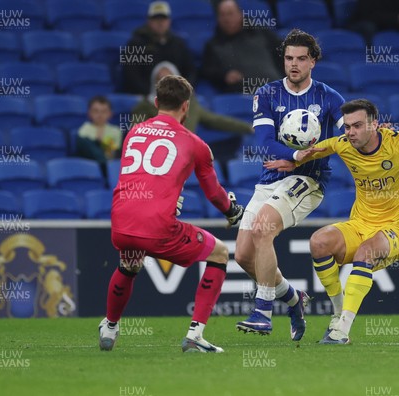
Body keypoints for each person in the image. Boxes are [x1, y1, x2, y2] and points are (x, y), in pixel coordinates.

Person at [264, 82, 399, 344]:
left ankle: (342, 331)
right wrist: (293, 160)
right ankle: (338, 312)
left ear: (374, 124)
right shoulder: (343, 144)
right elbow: (319, 149)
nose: (350, 132)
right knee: (319, 241)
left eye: (357, 126)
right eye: (348, 126)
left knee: (366, 252)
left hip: (395, 229)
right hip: (360, 224)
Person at [98, 75, 245, 353]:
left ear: (156, 102)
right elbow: (213, 193)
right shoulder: (195, 144)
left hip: (121, 222)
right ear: (186, 107)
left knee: (129, 264)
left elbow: (138, 179)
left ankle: (110, 325)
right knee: (220, 253)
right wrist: (233, 211)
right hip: (156, 228)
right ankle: (195, 335)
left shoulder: (134, 132)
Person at [234, 29, 345, 341]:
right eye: (288, 58)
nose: (293, 64)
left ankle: (262, 313)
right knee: (243, 256)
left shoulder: (329, 97)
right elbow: (266, 142)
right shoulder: (267, 94)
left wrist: (302, 161)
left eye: (300, 59)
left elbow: (347, 137)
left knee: (262, 230)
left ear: (313, 62)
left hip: (308, 180)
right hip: (270, 178)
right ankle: (294, 299)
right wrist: (295, 154)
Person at [201, 0, 281, 93]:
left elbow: (282, 52)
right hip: (243, 93)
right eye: (222, 15)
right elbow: (207, 71)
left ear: (240, 15)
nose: (226, 19)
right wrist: (224, 76)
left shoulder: (261, 33)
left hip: (275, 87)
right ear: (218, 19)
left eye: (230, 14)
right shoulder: (213, 45)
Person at [122, 1, 196, 95]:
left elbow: (190, 70)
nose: (160, 22)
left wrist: (183, 89)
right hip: (147, 96)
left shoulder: (179, 44)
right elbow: (130, 76)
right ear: (148, 21)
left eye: (163, 18)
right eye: (156, 18)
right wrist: (150, 93)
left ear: (169, 21)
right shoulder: (135, 43)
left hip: (176, 95)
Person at [76, 96, 122, 175]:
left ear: (110, 114)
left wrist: (100, 142)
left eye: (104, 111)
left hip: (109, 164)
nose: (100, 115)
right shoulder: (84, 129)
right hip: (89, 165)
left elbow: (113, 153)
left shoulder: (115, 131)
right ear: (89, 113)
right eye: (96, 111)